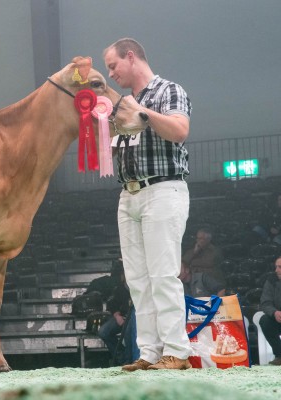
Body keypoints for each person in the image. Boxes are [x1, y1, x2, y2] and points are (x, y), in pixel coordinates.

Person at [103, 38, 193, 371]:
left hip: (162, 189)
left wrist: (141, 112)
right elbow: (113, 144)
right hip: (128, 194)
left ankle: (177, 352)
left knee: (163, 275)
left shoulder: (168, 90)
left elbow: (180, 130)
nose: (111, 74)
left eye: (113, 65)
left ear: (131, 56)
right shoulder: (121, 103)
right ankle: (150, 352)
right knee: (137, 280)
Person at [97, 265, 139, 365]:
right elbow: (112, 304)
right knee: (103, 332)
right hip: (122, 316)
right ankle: (122, 357)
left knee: (128, 331)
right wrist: (117, 316)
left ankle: (129, 360)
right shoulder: (119, 289)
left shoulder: (140, 288)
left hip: (136, 318)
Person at [258, 255, 281, 366]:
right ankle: (280, 355)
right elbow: (265, 302)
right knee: (265, 320)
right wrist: (274, 312)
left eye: (280, 267)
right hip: (278, 318)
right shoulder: (271, 280)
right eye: (276, 267)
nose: (276, 270)